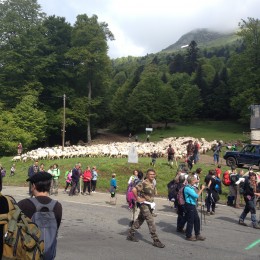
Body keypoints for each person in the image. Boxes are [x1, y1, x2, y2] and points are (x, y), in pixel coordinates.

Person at [18, 172, 63, 259]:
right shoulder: (57, 206)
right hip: (49, 254)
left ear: (34, 186)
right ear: (49, 186)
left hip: (28, 254)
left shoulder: (23, 204)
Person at [127, 169, 165, 248]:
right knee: (150, 221)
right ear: (147, 175)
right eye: (151, 174)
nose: (152, 176)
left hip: (150, 204)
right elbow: (134, 190)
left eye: (153, 174)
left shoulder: (152, 183)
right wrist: (138, 198)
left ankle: (130, 233)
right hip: (144, 204)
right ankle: (156, 240)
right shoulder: (144, 183)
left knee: (140, 220)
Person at [184, 176, 206, 241]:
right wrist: (201, 189)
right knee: (191, 220)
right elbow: (196, 196)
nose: (196, 181)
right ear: (191, 181)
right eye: (194, 180)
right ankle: (188, 235)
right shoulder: (187, 188)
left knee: (197, 219)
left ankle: (197, 234)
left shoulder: (191, 187)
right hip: (189, 205)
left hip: (192, 205)